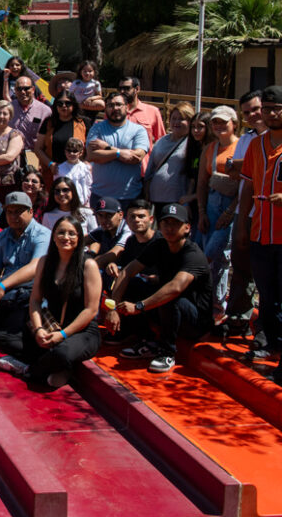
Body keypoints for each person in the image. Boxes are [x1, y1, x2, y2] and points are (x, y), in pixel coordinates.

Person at [0, 216, 101, 388]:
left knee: (61, 352)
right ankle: (54, 368)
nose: (66, 237)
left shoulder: (88, 265)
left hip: (81, 330)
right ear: (53, 236)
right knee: (4, 338)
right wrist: (38, 329)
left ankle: (31, 369)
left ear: (79, 238)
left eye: (71, 234)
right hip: (50, 325)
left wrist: (63, 334)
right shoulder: (45, 262)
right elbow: (35, 300)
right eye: (61, 232)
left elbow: (90, 310)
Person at [109, 203, 214, 374]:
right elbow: (127, 271)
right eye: (166, 223)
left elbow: (176, 287)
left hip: (195, 322)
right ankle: (146, 339)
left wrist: (139, 306)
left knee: (169, 296)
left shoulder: (193, 254)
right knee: (135, 283)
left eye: (175, 223)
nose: (170, 228)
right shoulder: (159, 245)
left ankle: (167, 352)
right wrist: (113, 306)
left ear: (187, 228)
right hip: (169, 313)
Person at [235, 85, 282, 381]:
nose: (271, 113)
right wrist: (241, 223)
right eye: (267, 109)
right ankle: (269, 343)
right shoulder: (256, 145)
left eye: (277, 108)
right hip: (260, 230)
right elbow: (248, 186)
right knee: (266, 292)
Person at [0, 192, 51, 353]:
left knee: (5, 331)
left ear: (31, 212)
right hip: (7, 292)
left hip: (32, 292)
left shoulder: (42, 234)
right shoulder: (3, 236)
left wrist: (2, 287)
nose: (13, 216)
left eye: (19, 211)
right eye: (10, 212)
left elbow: (35, 267)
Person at [197, 106, 240, 281]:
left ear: (234, 124)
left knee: (217, 255)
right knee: (209, 251)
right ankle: (209, 299)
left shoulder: (242, 145)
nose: (219, 126)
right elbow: (201, 182)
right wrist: (202, 212)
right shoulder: (209, 149)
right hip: (211, 204)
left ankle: (217, 304)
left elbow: (247, 184)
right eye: (215, 122)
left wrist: (230, 211)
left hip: (232, 203)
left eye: (223, 122)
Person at [86, 92, 150, 206]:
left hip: (129, 196)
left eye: (118, 104)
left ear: (127, 107)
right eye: (110, 105)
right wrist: (119, 154)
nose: (115, 108)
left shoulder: (138, 130)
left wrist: (108, 148)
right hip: (100, 196)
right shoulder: (97, 129)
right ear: (106, 109)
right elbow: (92, 156)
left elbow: (136, 157)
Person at [145, 103, 194, 213]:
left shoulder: (192, 143)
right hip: (156, 198)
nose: (176, 122)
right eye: (174, 118)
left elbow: (194, 175)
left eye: (181, 119)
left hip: (178, 199)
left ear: (190, 122)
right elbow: (150, 169)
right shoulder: (161, 141)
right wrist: (146, 191)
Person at [35, 92, 91, 185]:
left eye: (68, 103)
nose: (64, 106)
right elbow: (38, 148)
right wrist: (50, 164)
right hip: (53, 172)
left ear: (73, 104)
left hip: (77, 173)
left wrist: (86, 163)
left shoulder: (84, 122)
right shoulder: (48, 122)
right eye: (60, 103)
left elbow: (90, 147)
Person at [119, 77, 166, 156]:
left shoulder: (153, 112)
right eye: (120, 89)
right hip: (118, 165)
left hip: (144, 165)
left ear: (137, 89)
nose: (122, 91)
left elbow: (162, 142)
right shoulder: (113, 113)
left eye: (126, 88)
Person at [10, 76, 52, 151]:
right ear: (15, 91)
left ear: (33, 89)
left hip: (35, 154)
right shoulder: (8, 108)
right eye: (19, 89)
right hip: (12, 153)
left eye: (26, 88)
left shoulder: (45, 111)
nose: (23, 92)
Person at [57, 137, 92, 206]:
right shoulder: (60, 168)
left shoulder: (85, 168)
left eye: (75, 151)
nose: (71, 153)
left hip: (82, 204)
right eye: (69, 151)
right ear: (65, 151)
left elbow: (88, 185)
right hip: (66, 205)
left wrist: (87, 202)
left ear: (81, 152)